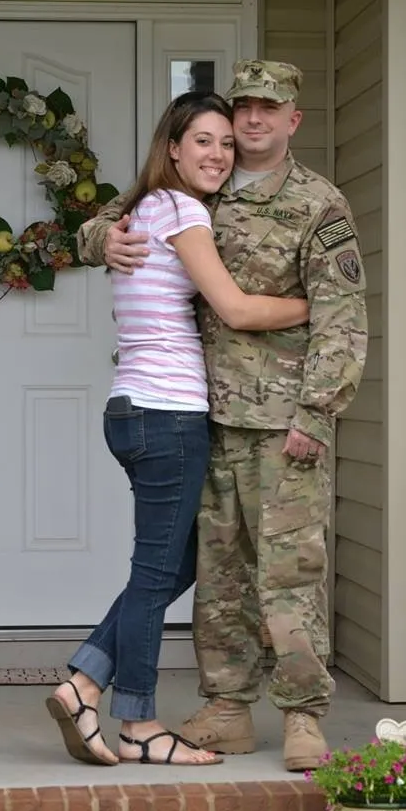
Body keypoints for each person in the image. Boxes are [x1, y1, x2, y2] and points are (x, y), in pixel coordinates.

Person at [76, 61, 368, 771]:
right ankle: (229, 707)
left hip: (282, 420)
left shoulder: (317, 204)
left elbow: (345, 320)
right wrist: (97, 240)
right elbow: (116, 217)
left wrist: (318, 413)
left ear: (294, 119)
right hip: (202, 415)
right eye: (246, 108)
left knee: (290, 570)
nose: (255, 120)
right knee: (221, 573)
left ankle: (301, 716)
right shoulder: (196, 186)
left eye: (271, 109)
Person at [46, 90, 310, 768]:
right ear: (172, 148)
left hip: (138, 410)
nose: (219, 153)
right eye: (204, 141)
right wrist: (313, 302)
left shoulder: (140, 209)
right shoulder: (182, 210)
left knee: (177, 563)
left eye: (226, 142)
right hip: (166, 414)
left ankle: (83, 680)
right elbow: (235, 308)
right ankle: (136, 722)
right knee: (157, 568)